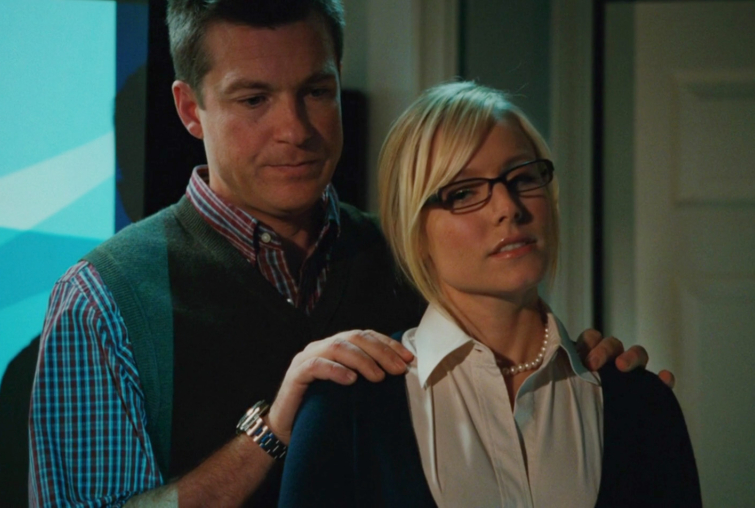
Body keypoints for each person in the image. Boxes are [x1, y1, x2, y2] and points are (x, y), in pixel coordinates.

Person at [28, 0, 659, 508]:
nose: (295, 129)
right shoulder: (104, 299)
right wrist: (272, 429)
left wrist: (583, 376)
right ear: (190, 109)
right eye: (254, 99)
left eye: (316, 91)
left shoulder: (414, 256)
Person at [279, 82, 701, 507]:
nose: (508, 207)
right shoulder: (344, 410)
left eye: (523, 177)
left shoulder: (641, 404)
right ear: (415, 230)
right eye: (463, 192)